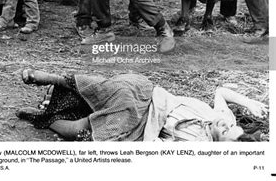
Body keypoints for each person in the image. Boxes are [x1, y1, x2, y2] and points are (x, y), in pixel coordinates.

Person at [17, 69, 268, 141]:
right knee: (120, 87)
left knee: (90, 130)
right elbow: (221, 91)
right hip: (150, 94)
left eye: (223, 130)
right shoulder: (224, 118)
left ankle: (46, 120)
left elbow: (159, 144)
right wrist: (248, 102)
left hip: (141, 123)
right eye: (228, 124)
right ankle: (53, 79)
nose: (222, 123)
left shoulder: (197, 143)